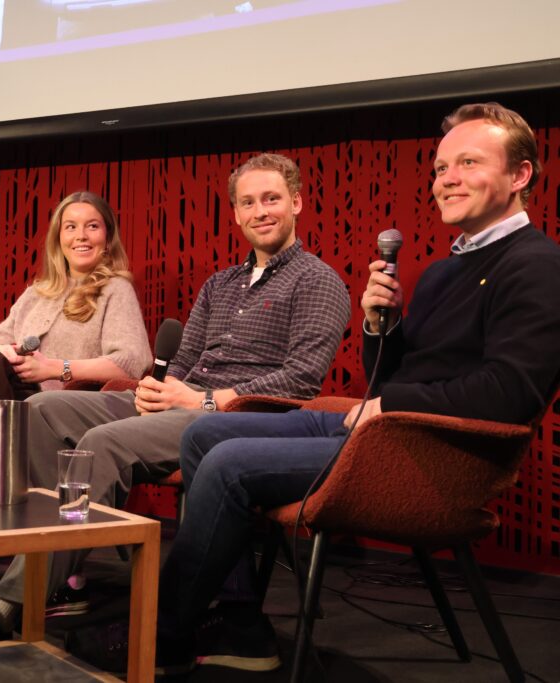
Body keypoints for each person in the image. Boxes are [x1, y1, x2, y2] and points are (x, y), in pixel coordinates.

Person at [156, 103, 560, 676]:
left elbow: (509, 393)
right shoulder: (444, 269)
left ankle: (165, 633)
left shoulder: (537, 265)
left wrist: (389, 405)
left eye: (468, 163)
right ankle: (241, 620)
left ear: (520, 175)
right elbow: (391, 377)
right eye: (440, 167)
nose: (447, 179)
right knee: (205, 434)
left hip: (432, 454)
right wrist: (378, 327)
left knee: (228, 464)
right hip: (389, 427)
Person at [0, 153, 352, 645]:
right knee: (40, 410)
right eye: (248, 202)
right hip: (182, 401)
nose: (260, 211)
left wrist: (202, 399)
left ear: (296, 203)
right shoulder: (220, 284)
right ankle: (65, 566)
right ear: (236, 213)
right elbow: (184, 361)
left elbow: (301, 381)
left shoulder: (318, 280)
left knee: (102, 443)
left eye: (271, 199)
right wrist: (157, 388)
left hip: (238, 417)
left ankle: (10, 602)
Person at [0, 191, 152, 472]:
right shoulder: (37, 292)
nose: (81, 236)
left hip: (60, 403)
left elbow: (130, 362)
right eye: (71, 227)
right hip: (12, 391)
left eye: (92, 226)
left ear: (107, 239)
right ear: (58, 239)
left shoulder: (116, 289)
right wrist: (9, 353)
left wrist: (54, 368)